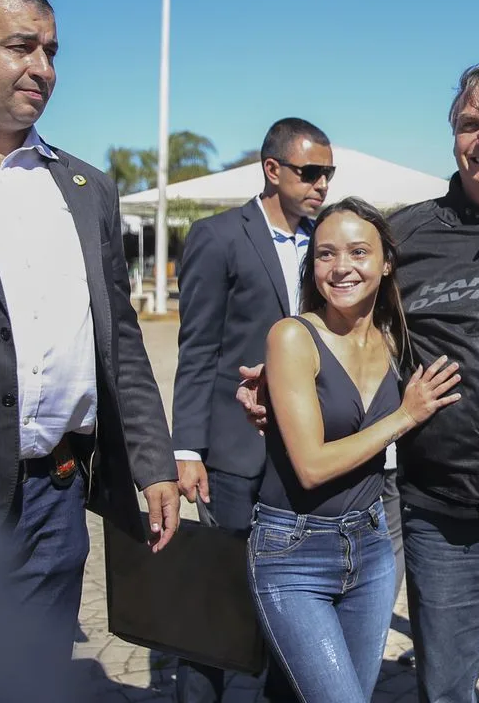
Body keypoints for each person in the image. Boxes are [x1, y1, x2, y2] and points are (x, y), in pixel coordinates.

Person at [239, 64, 479, 702]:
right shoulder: (405, 235)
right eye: (470, 124)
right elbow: (341, 319)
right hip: (440, 510)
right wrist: (284, 381)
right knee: (445, 689)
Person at [0, 0, 179, 656]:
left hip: (54, 500)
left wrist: (153, 463)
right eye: (22, 47)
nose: (44, 69)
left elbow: (120, 337)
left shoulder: (86, 188)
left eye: (52, 52)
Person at [250, 198, 460, 701]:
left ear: (386, 262)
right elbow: (311, 466)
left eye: (358, 252)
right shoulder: (293, 336)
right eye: (325, 254)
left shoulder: (394, 340)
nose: (341, 267)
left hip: (370, 547)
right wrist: (405, 416)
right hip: (291, 552)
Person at [170, 117, 333, 702]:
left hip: (303, 452)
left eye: (328, 174)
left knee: (291, 600)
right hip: (234, 455)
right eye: (310, 172)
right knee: (220, 601)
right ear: (273, 170)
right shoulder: (218, 236)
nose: (321, 184)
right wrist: (187, 449)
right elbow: (198, 349)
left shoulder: (325, 243)